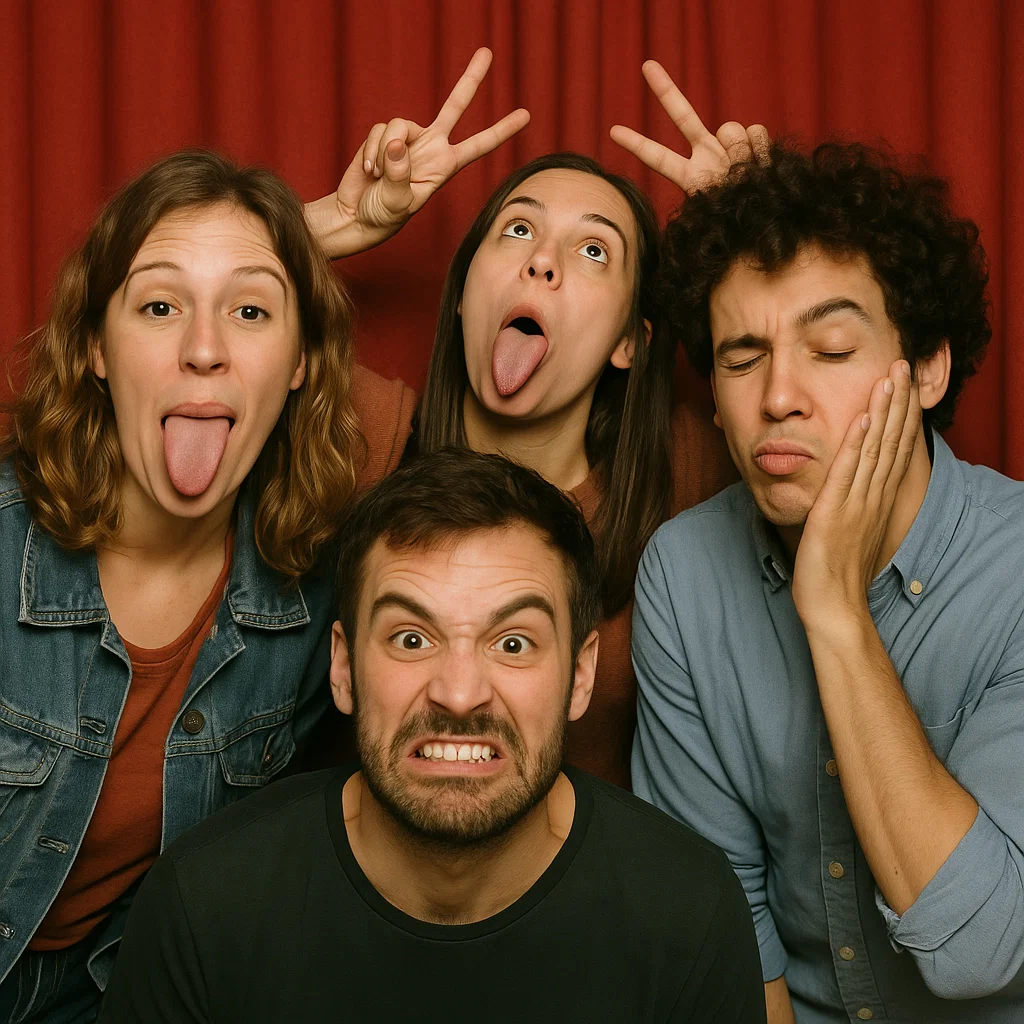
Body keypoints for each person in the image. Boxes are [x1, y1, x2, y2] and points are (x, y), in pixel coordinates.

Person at [0, 53, 529, 1020]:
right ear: (95, 348)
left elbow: (538, 514)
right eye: (159, 308)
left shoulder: (316, 586)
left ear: (299, 366)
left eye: (249, 312)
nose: (205, 347)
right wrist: (296, 236)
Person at [98, 450, 766, 1024]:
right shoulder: (204, 906)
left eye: (513, 643)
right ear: (343, 667)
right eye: (412, 639)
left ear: (582, 675)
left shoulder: (688, 915)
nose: (459, 692)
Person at [630, 141, 1024, 1023]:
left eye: (832, 349)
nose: (778, 397)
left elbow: (982, 952)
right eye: (741, 359)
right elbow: (722, 924)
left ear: (928, 367)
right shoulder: (684, 576)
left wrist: (837, 613)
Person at [304, 53, 768, 787]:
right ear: (463, 297)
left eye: (593, 250)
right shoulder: (369, 436)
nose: (544, 262)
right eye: (518, 230)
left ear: (629, 342)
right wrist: (338, 222)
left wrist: (757, 236)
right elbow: (163, 333)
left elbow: (845, 406)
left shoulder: (684, 470)